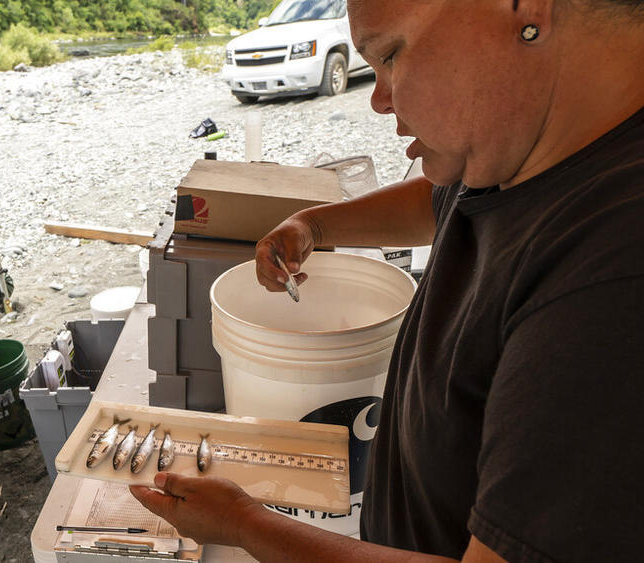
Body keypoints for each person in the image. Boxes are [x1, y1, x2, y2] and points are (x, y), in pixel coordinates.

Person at [131, 0, 644, 560]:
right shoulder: (527, 140)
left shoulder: (609, 290)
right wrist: (317, 224)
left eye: (392, 54)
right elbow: (444, 197)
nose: (377, 98)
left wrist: (246, 525)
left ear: (525, 9)